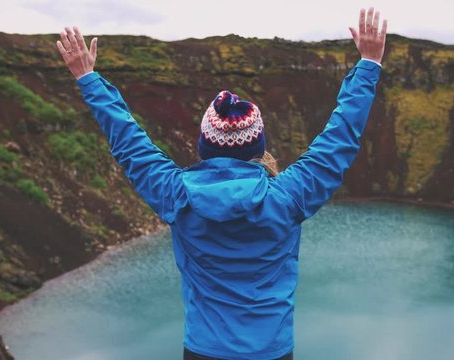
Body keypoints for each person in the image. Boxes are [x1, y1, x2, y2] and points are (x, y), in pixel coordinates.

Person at [56, 7, 386, 360]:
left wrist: (88, 78)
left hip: (203, 350)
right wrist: (368, 64)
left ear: (204, 145)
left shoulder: (177, 195)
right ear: (259, 147)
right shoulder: (288, 198)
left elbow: (129, 143)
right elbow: (338, 141)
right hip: (271, 352)